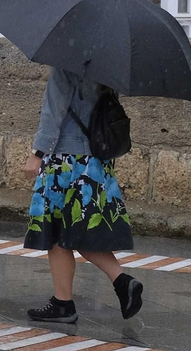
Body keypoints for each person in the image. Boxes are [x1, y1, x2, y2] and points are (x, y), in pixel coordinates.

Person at [23, 68, 143, 323]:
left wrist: (37, 154)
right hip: (96, 162)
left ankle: (70, 301)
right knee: (77, 230)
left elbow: (53, 113)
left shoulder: (66, 67)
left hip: (65, 161)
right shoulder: (107, 71)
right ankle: (108, 285)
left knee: (57, 233)